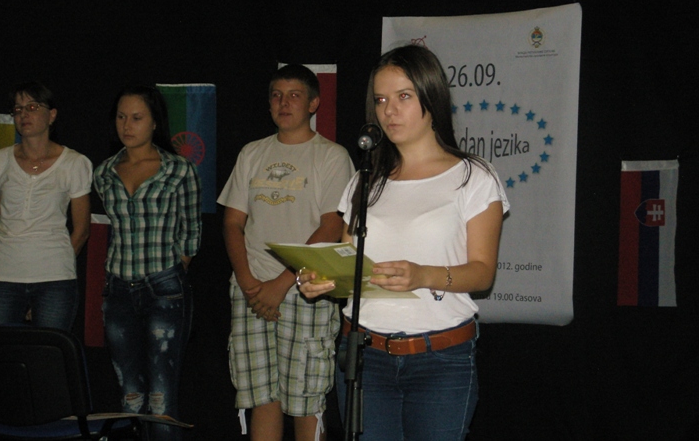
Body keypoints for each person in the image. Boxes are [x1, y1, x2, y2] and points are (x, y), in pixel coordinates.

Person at [297, 44, 509, 441]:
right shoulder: (365, 179)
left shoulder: (473, 177)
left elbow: (482, 273)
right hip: (365, 356)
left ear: (432, 97)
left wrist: (423, 275)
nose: (389, 111)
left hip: (440, 359)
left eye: (403, 97)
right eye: (380, 100)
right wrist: (320, 279)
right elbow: (350, 263)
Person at [218, 64, 355, 441]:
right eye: (277, 96)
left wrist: (282, 283)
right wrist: (248, 282)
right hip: (251, 290)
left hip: (305, 289)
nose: (284, 103)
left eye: (294, 95)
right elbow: (232, 223)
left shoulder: (331, 156)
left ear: (313, 103)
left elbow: (331, 226)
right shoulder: (252, 152)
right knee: (261, 397)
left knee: (305, 400)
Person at [94, 85, 202, 441]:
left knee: (161, 397)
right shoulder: (104, 172)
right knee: (129, 395)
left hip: (164, 289)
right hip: (118, 290)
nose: (127, 125)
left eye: (137, 117)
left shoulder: (179, 169)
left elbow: (191, 232)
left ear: (155, 122)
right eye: (121, 117)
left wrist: (173, 270)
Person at [0, 81, 92, 331]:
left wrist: (55, 263)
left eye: (32, 107)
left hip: (55, 279)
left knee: (48, 351)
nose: (24, 114)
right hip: (2, 276)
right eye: (18, 109)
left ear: (52, 115)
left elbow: (82, 230)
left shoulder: (75, 163)